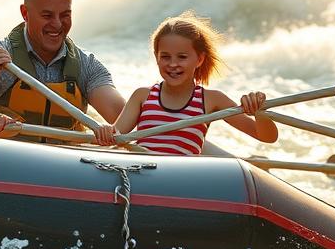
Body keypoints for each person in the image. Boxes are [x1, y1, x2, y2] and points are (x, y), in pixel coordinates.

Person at [0, 0, 125, 142]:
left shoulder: (87, 65)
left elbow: (122, 117)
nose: (57, 24)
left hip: (60, 166)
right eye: (47, 16)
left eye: (65, 15)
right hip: (2, 162)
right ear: (25, 13)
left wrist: (146, 101)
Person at [93, 12, 278, 154]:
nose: (173, 64)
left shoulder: (212, 100)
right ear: (156, 58)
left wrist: (259, 111)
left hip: (183, 185)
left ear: (199, 59)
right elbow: (116, 136)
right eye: (165, 57)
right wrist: (106, 131)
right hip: (142, 181)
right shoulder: (143, 96)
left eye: (182, 57)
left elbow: (266, 137)